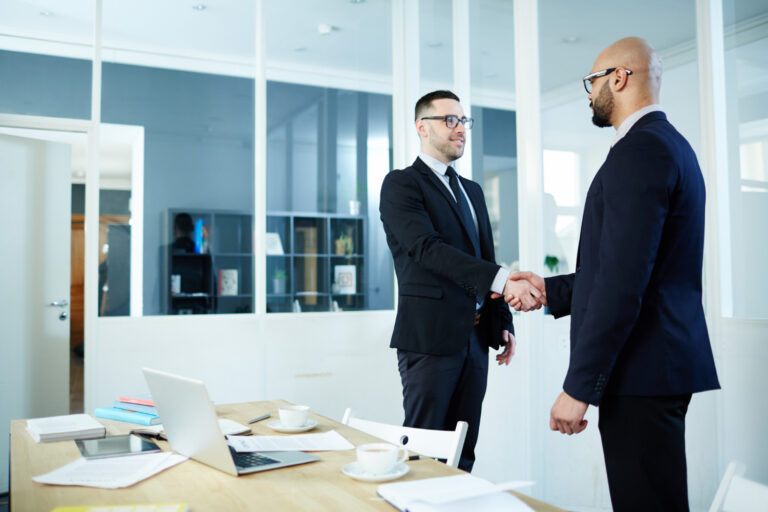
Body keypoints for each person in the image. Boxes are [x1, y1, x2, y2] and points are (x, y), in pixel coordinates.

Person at [501, 38, 720, 510]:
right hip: (656, 368)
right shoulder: (669, 146)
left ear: (619, 78)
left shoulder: (639, 151)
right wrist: (550, 290)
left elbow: (623, 285)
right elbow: (630, 270)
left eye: (592, 82)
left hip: (641, 371)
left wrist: (578, 387)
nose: (589, 94)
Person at [379, 90, 539, 472]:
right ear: (422, 127)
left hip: (476, 338)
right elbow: (427, 250)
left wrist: (502, 321)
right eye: (449, 120)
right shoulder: (401, 184)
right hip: (430, 339)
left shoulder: (473, 191)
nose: (460, 129)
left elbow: (485, 260)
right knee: (422, 451)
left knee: (462, 452)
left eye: (463, 121)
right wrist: (503, 281)